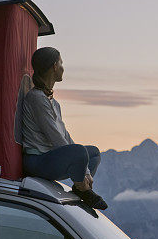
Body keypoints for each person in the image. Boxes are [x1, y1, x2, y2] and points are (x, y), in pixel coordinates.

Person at [21, 47, 107, 210]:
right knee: (79, 151)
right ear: (54, 66)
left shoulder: (52, 102)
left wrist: (86, 167)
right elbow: (56, 138)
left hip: (51, 159)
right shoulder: (36, 99)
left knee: (93, 153)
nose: (63, 67)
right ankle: (85, 190)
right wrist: (84, 169)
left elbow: (64, 135)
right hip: (37, 161)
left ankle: (80, 189)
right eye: (61, 62)